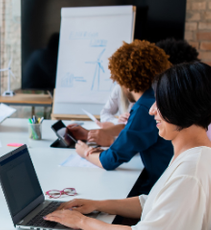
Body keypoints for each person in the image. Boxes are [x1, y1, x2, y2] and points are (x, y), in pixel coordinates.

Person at [45, 61, 211, 230]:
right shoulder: (198, 153)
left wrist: (81, 221)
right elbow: (152, 203)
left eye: (159, 103)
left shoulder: (190, 171)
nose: (151, 110)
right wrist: (97, 204)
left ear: (182, 108)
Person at [87, 38, 211, 156]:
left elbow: (137, 141)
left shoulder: (180, 115)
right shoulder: (197, 106)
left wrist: (109, 142)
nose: (153, 109)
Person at [74, 40, 174, 196]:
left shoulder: (144, 108)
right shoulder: (158, 97)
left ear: (125, 80)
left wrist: (85, 152)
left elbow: (109, 161)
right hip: (168, 179)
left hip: (157, 189)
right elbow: (132, 138)